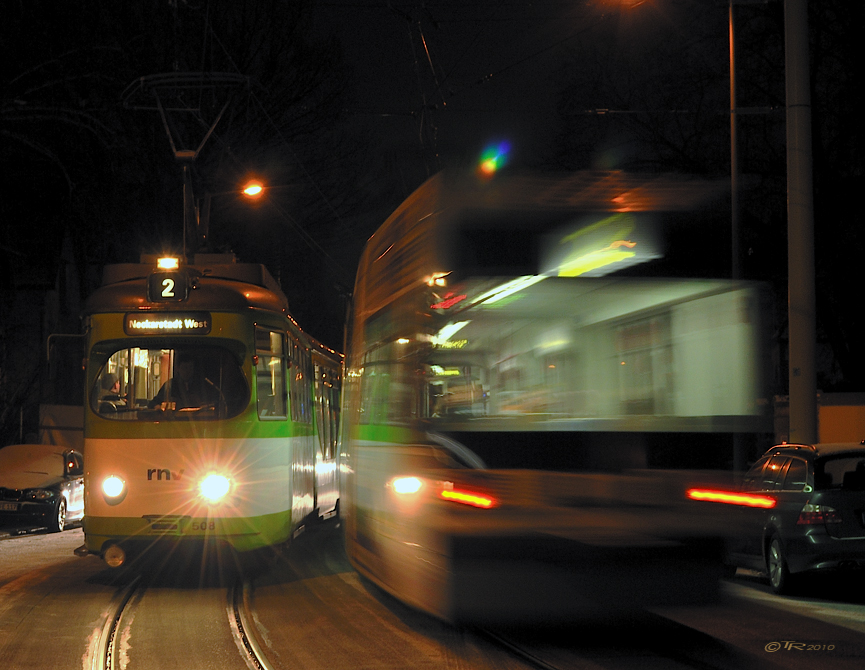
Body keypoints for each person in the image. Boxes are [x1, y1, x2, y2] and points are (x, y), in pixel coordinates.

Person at [148, 352, 217, 410]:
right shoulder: (170, 385)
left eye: (190, 367)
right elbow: (153, 403)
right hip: (175, 422)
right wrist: (158, 407)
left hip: (198, 422)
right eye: (184, 368)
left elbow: (212, 402)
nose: (187, 371)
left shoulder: (201, 384)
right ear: (178, 368)